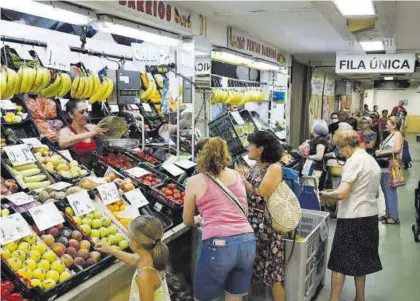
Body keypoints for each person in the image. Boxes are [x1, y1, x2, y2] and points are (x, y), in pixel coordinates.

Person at [183, 137, 256, 301]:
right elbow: (244, 210)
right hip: (247, 241)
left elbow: (187, 220)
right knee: (234, 295)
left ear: (200, 156)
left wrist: (199, 219)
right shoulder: (237, 176)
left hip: (219, 244)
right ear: (225, 155)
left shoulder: (194, 181)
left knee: (205, 297)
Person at [320, 129, 382, 301]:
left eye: (340, 148)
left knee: (339, 262)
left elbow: (342, 193)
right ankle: (360, 297)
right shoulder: (371, 161)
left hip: (352, 218)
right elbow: (376, 194)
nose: (340, 151)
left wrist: (326, 194)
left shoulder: (353, 161)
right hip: (370, 217)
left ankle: (334, 298)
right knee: (361, 261)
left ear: (347, 146)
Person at [236, 131, 286, 301]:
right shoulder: (255, 166)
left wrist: (242, 179)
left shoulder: (274, 168)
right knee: (252, 271)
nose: (248, 148)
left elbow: (261, 193)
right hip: (252, 227)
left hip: (268, 230)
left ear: (261, 148)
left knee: (273, 275)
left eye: (251, 145)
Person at [95, 216, 170, 301]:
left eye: (130, 237)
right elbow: (133, 259)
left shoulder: (145, 277)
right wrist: (111, 250)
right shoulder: (152, 255)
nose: (128, 239)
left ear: (136, 243)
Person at [59, 100, 108, 165]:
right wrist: (90, 134)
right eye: (82, 112)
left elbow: (107, 140)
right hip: (76, 171)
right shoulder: (65, 131)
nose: (86, 115)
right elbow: (63, 143)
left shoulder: (90, 128)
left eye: (87, 111)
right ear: (71, 115)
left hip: (93, 169)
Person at [375, 116, 403, 224]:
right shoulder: (391, 135)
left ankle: (394, 217)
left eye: (388, 123)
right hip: (385, 167)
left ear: (394, 125)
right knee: (386, 191)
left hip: (392, 166)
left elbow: (397, 149)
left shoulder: (398, 134)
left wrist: (381, 152)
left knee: (391, 192)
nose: (386, 125)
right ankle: (388, 213)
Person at [306, 120, 329, 190]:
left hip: (316, 168)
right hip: (312, 167)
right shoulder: (316, 139)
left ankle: (314, 201)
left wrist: (308, 157)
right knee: (310, 187)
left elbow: (319, 156)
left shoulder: (321, 140)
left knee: (312, 189)